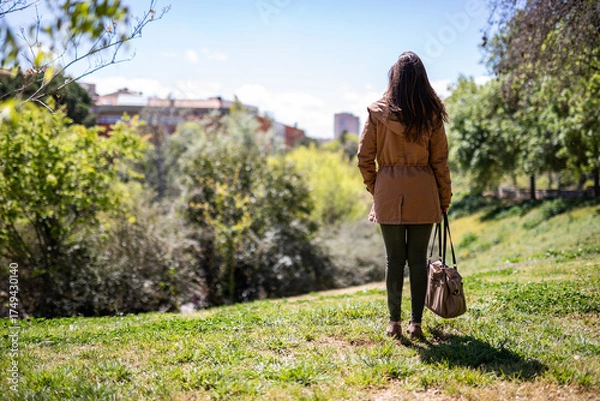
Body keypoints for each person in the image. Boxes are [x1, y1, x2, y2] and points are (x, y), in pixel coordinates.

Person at [357, 51, 452, 340]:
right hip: (423, 192)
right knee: (418, 259)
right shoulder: (432, 115)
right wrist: (443, 199)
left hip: (388, 191)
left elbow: (364, 158)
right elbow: (440, 162)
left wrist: (379, 188)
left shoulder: (376, 113)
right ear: (422, 79)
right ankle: (416, 324)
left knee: (393, 260)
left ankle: (394, 323)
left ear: (394, 78)